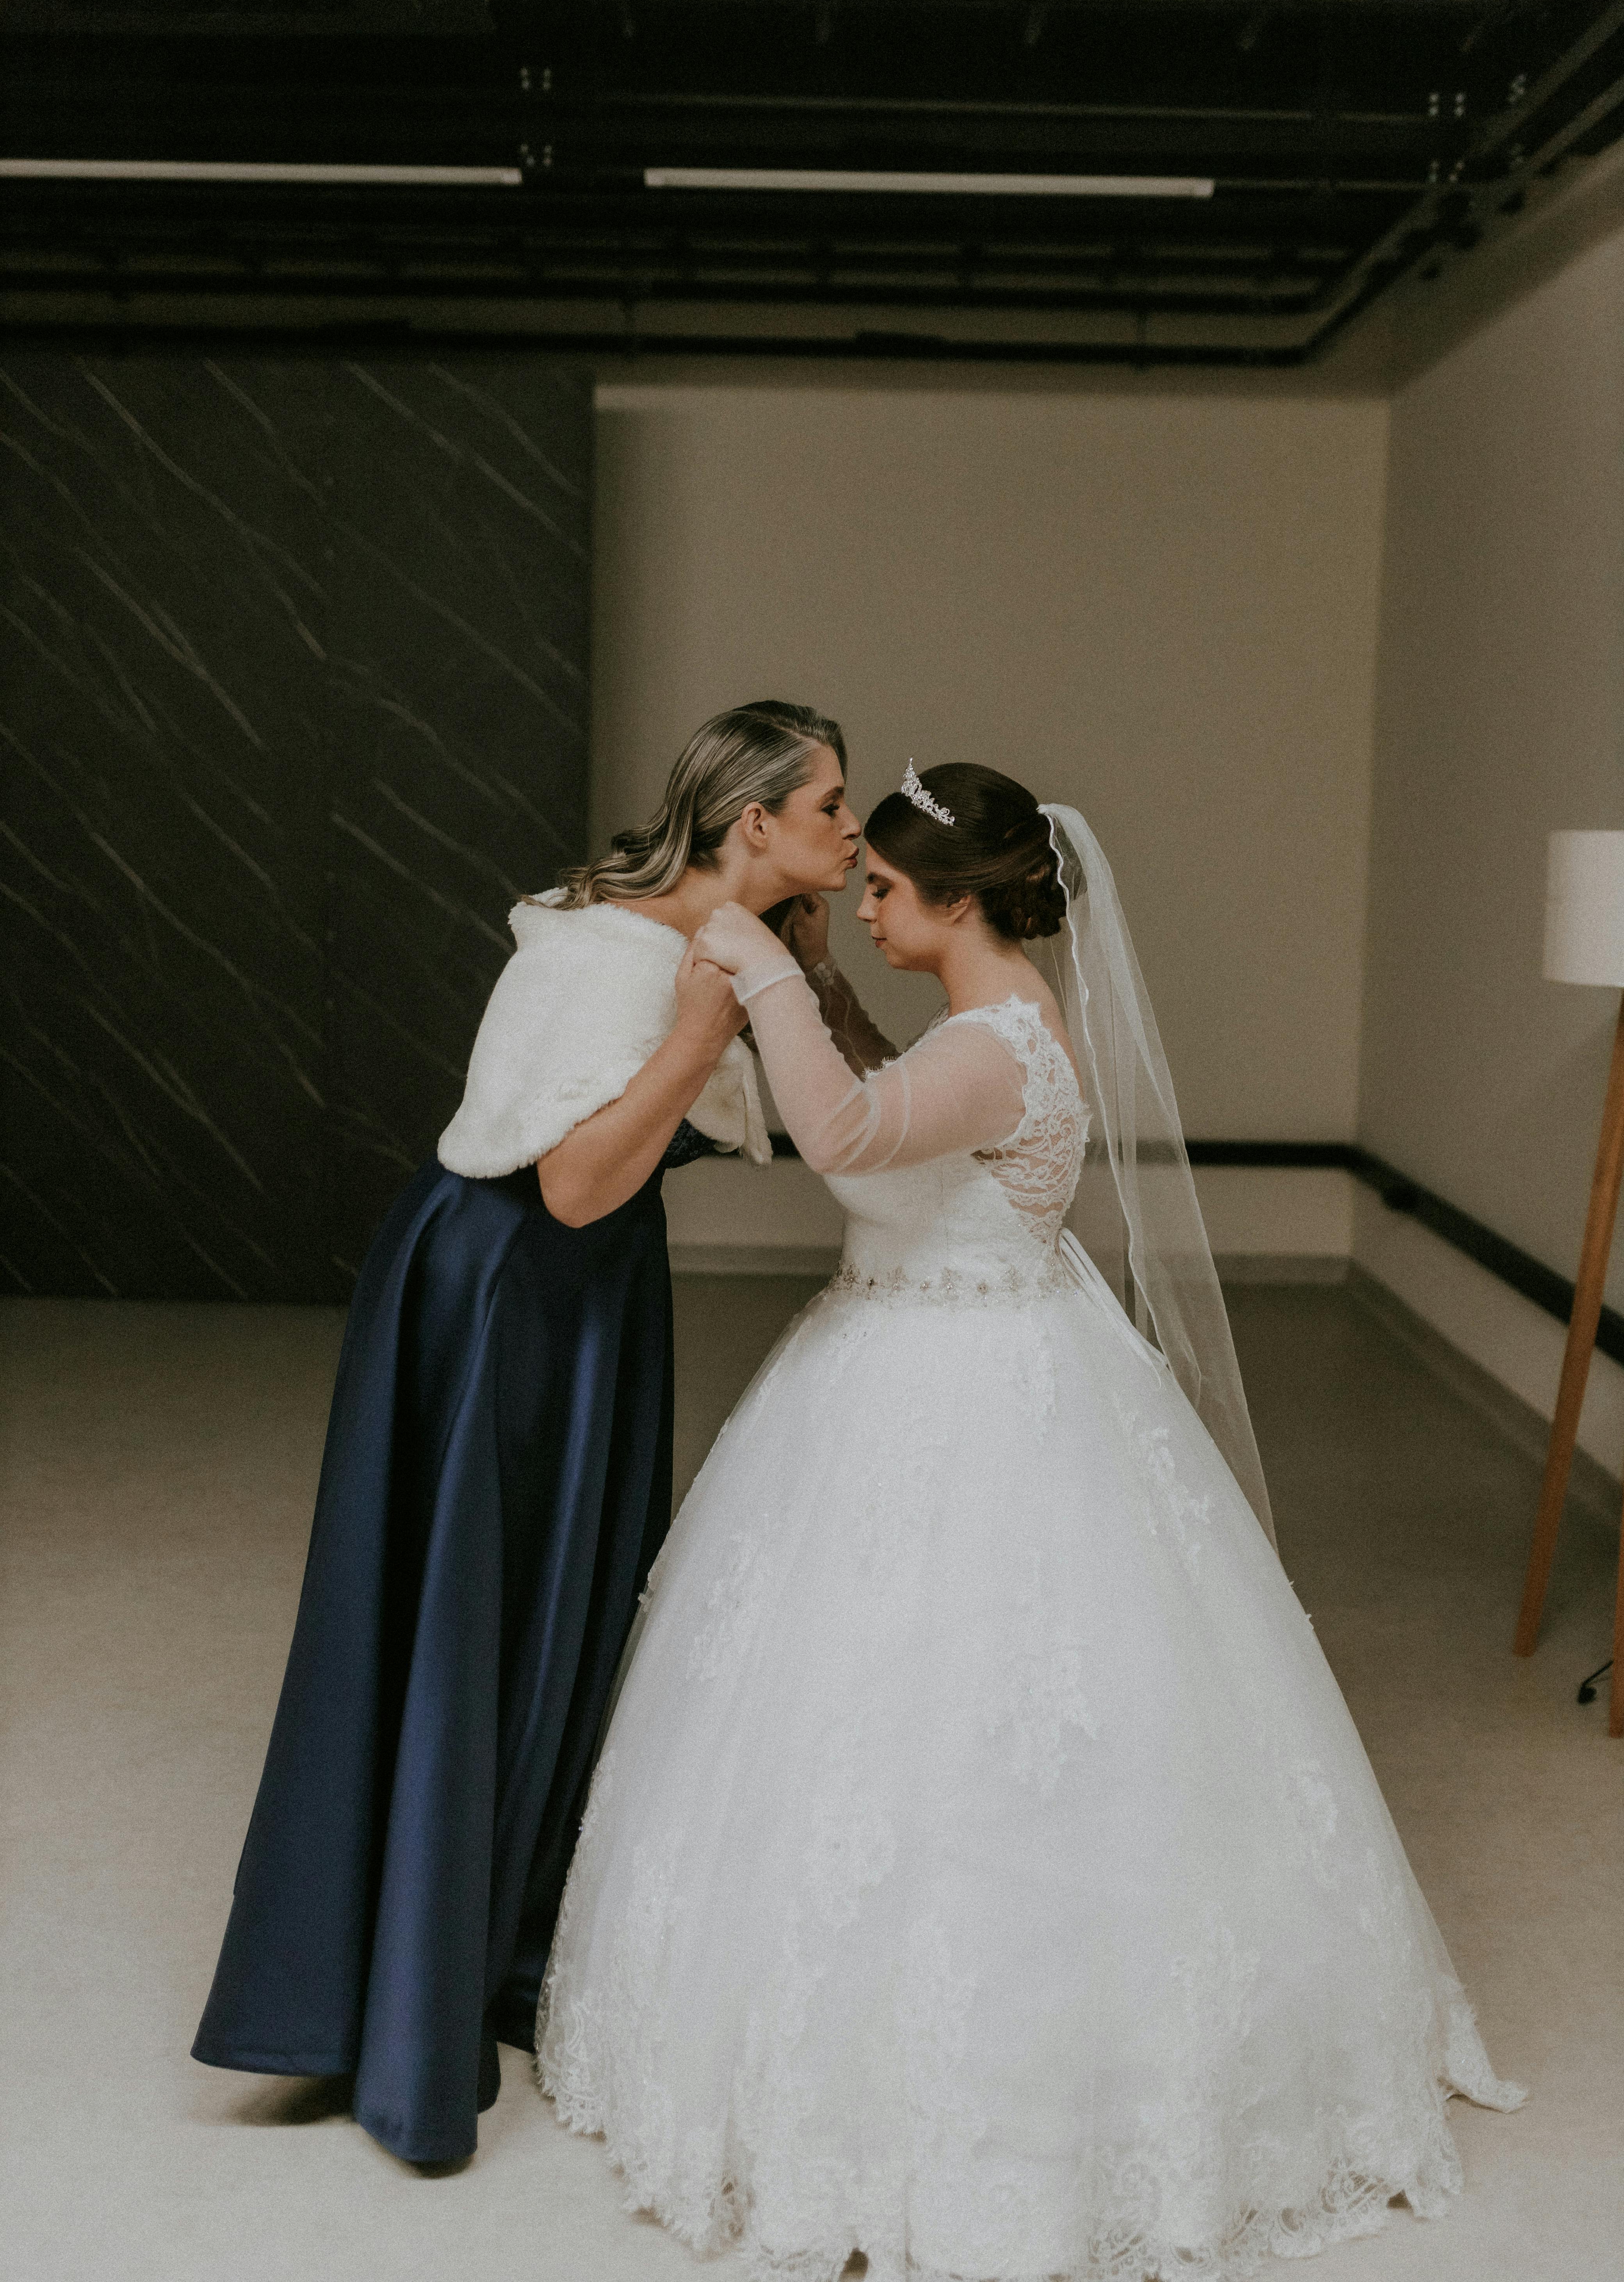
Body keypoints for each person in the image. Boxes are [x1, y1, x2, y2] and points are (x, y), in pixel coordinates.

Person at [537, 760, 1522, 2280]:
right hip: (897, 1366)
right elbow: (889, 1096)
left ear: (953, 900)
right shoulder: (975, 1031)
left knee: (990, 1742)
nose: (854, 904)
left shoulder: (1000, 1045)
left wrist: (749, 970)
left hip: (970, 1390)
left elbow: (855, 1139)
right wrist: (810, 987)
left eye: (878, 888)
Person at [192, 700, 860, 2167]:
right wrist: (701, 1028)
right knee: (462, 1632)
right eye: (832, 812)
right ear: (755, 827)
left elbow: (823, 1126)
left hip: (591, 1304)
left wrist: (785, 978)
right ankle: (387, 2013)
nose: (851, 836)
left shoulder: (723, 940)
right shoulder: (602, 954)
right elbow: (565, 1184)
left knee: (556, 1616)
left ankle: (487, 1952)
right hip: (503, 1293)